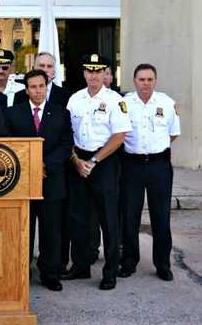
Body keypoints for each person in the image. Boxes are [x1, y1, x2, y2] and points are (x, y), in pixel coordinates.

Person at [62, 54, 132, 290]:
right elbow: (67, 134)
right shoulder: (75, 99)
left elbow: (119, 136)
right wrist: (75, 160)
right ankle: (80, 267)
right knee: (78, 218)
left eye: (98, 70)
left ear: (105, 73)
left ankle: (110, 272)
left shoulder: (115, 100)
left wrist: (93, 161)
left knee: (108, 220)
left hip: (104, 163)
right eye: (89, 71)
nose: (93, 75)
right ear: (84, 73)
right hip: (78, 162)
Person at [4, 69, 73, 291]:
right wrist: (29, 164)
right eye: (33, 87)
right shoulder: (13, 113)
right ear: (26, 90)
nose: (37, 91)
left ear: (47, 87)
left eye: (41, 86)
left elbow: (66, 145)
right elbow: (8, 143)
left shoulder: (61, 113)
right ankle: (21, 270)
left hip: (51, 180)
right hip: (22, 180)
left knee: (51, 230)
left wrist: (44, 165)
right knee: (23, 229)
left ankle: (49, 273)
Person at [119, 64, 181, 281]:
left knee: (161, 216)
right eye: (142, 79)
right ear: (134, 80)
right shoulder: (124, 103)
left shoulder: (166, 103)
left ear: (155, 80)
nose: (146, 83)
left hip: (159, 166)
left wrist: (154, 149)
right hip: (131, 165)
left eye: (150, 79)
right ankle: (128, 261)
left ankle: (162, 264)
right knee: (129, 215)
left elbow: (173, 134)